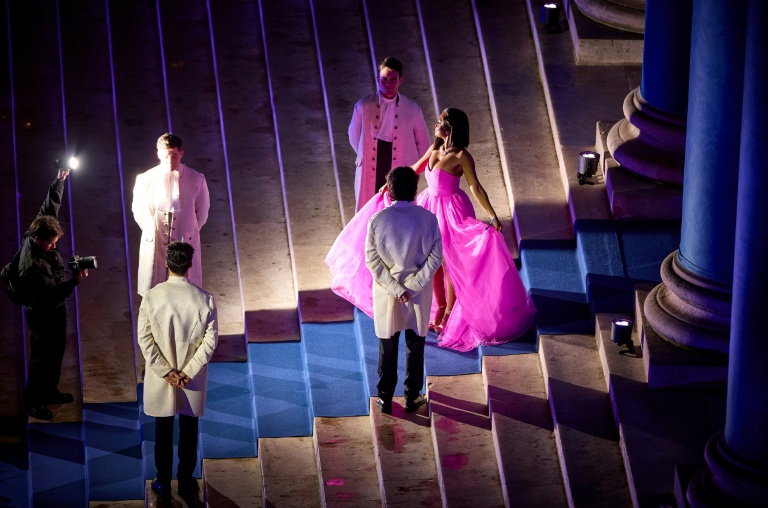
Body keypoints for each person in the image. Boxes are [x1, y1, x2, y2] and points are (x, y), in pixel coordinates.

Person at [327, 108, 536, 352]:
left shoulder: (461, 156)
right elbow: (415, 168)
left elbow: (475, 186)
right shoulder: (434, 149)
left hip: (450, 210)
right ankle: (438, 307)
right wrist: (390, 183)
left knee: (449, 263)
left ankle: (448, 312)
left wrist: (491, 214)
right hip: (429, 205)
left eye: (440, 122)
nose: (435, 124)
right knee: (430, 260)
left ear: (451, 127)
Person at [138, 241, 218, 502]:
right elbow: (210, 341)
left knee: (162, 432)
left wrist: (166, 372)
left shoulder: (151, 297)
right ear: (190, 266)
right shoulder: (205, 300)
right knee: (189, 431)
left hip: (163, 380)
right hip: (191, 381)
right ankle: (185, 481)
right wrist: (188, 372)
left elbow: (145, 339)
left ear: (166, 264)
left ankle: (162, 482)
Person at [365, 167, 442, 414]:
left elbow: (372, 260)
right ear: (415, 190)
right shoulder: (428, 219)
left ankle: (385, 397)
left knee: (387, 344)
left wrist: (396, 289)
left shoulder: (378, 220)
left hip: (389, 294)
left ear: (389, 190)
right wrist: (414, 286)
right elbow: (435, 258)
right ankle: (412, 396)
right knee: (415, 344)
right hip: (418, 295)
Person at [18, 170, 89, 420]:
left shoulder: (37, 229)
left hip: (55, 307)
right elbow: (51, 293)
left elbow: (50, 206)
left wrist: (59, 181)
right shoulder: (33, 266)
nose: (55, 246)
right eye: (51, 243)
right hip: (42, 311)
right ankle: (34, 401)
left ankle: (50, 389)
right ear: (37, 240)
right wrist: (75, 281)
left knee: (57, 348)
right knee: (41, 356)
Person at [132, 133, 210, 297]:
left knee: (186, 294)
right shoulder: (145, 179)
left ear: (181, 153)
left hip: (184, 240)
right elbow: (139, 212)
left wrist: (189, 230)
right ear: (158, 154)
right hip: (156, 242)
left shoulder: (196, 179)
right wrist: (152, 232)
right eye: (166, 156)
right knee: (154, 293)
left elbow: (202, 213)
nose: (170, 161)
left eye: (174, 156)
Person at [349, 56, 431, 210]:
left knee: (399, 207)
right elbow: (353, 135)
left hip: (401, 163)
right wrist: (364, 153)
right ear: (377, 79)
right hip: (371, 161)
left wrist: (414, 169)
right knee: (369, 208)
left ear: (400, 80)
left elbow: (423, 142)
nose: (388, 84)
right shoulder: (363, 105)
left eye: (393, 79)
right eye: (384, 79)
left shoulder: (412, 108)